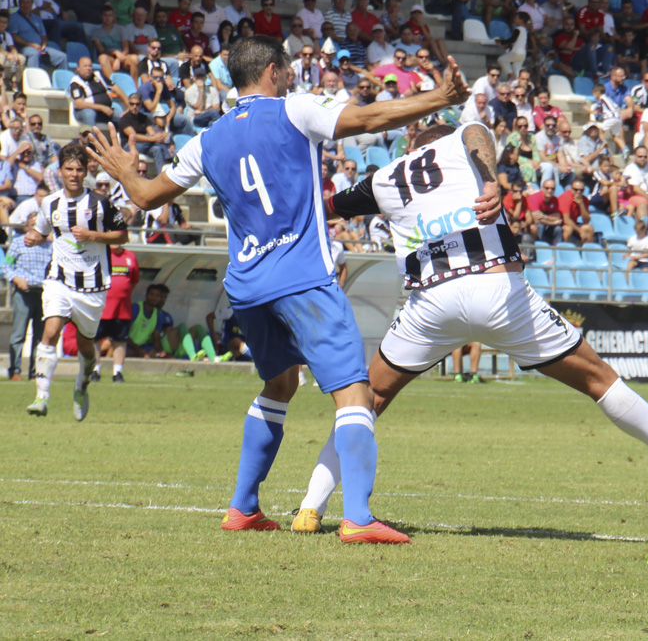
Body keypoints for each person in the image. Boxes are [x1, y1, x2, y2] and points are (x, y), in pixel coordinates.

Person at [88, 36, 473, 541]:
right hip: (303, 278)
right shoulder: (296, 110)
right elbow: (369, 120)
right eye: (288, 70)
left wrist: (124, 172)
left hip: (247, 285)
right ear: (274, 71)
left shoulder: (206, 139)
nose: (291, 76)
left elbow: (144, 196)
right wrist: (440, 99)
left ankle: (243, 507)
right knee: (355, 393)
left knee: (280, 385)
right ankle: (358, 517)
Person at [290, 122, 648, 531]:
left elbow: (323, 208)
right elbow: (476, 130)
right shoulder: (463, 145)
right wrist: (490, 180)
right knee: (599, 380)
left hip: (431, 301)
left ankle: (310, 508)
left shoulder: (384, 177)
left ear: (413, 148)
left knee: (367, 399)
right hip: (496, 287)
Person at [23, 143, 129, 420]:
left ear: (85, 172)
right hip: (58, 278)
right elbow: (42, 230)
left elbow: (123, 235)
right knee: (51, 330)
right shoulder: (50, 203)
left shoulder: (101, 203)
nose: (73, 174)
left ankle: (82, 384)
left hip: (92, 284)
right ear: (59, 172)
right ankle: (41, 396)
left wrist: (94, 236)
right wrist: (34, 237)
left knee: (86, 345)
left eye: (78, 169)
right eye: (68, 169)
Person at [4, 209, 51, 382]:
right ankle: (15, 369)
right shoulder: (17, 244)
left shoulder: (49, 246)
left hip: (43, 294)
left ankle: (35, 371)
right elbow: (6, 266)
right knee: (19, 333)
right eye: (32, 226)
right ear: (26, 227)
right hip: (24, 293)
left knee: (40, 336)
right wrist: (17, 279)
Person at [91, 243, 140, 383]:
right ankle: (94, 370)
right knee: (95, 340)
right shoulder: (99, 254)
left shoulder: (130, 256)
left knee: (120, 341)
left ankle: (117, 372)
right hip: (101, 307)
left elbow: (134, 280)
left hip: (122, 309)